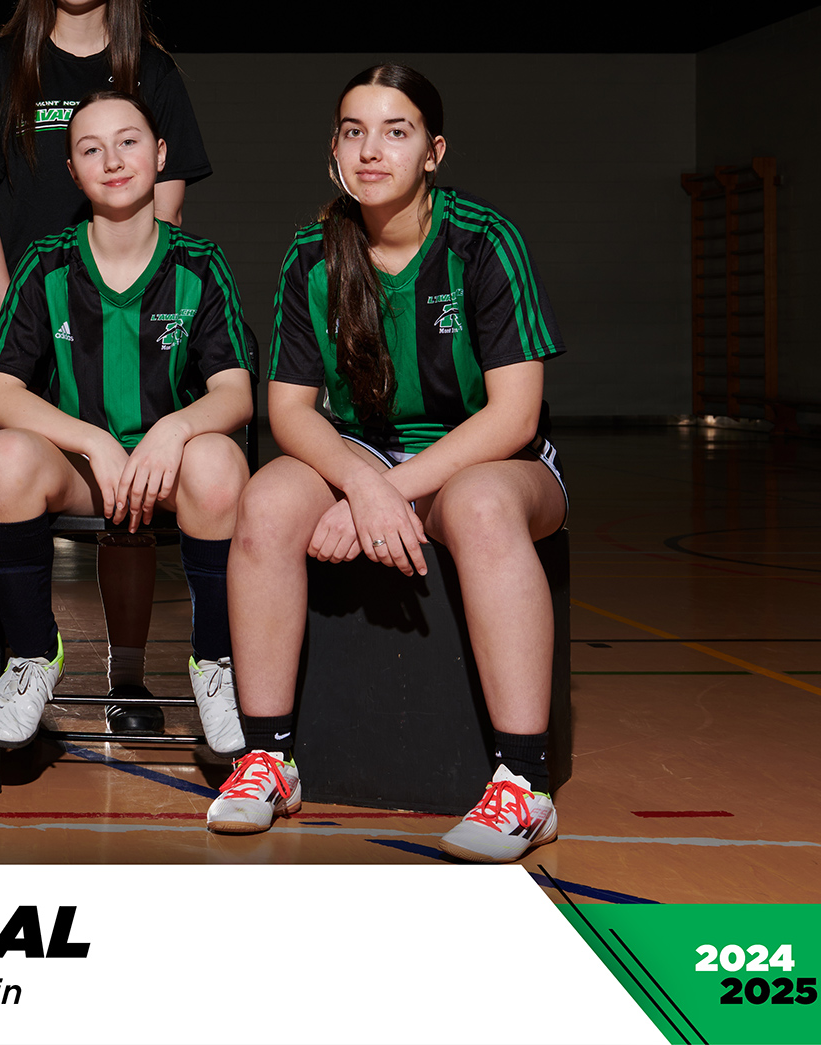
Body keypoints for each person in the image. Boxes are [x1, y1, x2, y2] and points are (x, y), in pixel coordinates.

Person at [213, 63, 567, 863]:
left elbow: (513, 416)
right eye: (354, 131)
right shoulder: (313, 253)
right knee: (266, 502)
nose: (371, 150)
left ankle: (524, 783)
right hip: (361, 452)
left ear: (433, 151)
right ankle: (268, 757)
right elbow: (288, 411)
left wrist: (384, 491)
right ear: (334, 149)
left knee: (480, 507)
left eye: (396, 131)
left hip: (488, 457)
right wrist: (363, 481)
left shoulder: (484, 241)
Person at [0, 0, 215, 736]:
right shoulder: (2, 65)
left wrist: (130, 315)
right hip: (25, 318)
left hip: (130, 327)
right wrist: (17, 318)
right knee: (6, 479)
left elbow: (167, 212)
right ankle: (23, 662)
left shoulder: (151, 70)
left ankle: (127, 679)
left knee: (127, 512)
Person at [0, 92, 251, 757]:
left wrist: (173, 431)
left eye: (129, 141)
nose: (113, 159)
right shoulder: (45, 262)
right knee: (1, 458)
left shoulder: (200, 263)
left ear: (160, 154)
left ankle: (215, 663)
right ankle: (33, 654)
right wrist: (93, 441)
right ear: (72, 171)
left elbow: (235, 392)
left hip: (169, 472)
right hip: (81, 472)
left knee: (218, 462)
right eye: (91, 148)